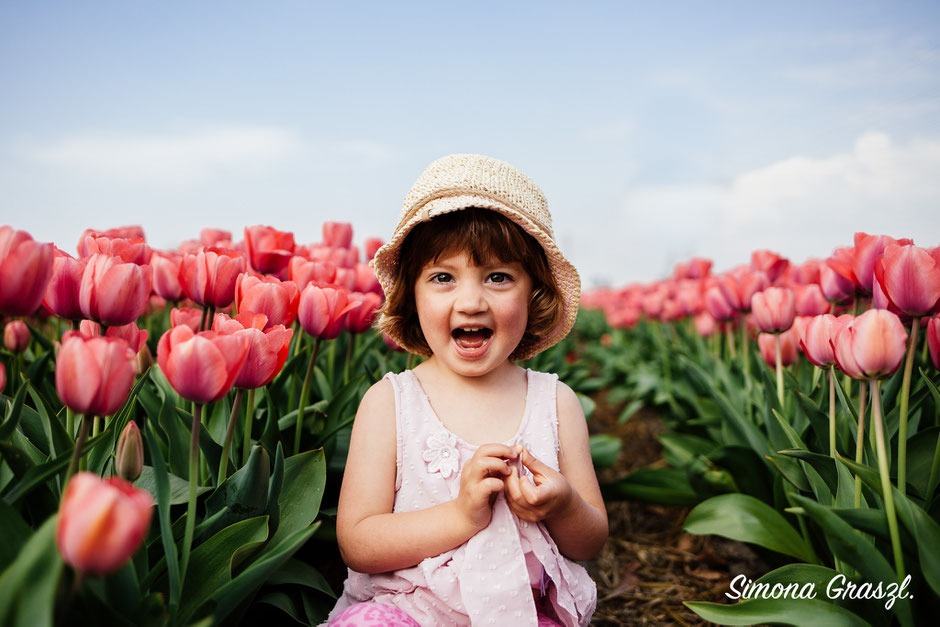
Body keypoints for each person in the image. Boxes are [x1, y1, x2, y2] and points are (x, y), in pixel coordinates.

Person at [327, 154, 607, 626]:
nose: (471, 301)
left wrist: (562, 505)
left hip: (520, 613)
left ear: (534, 293)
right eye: (442, 277)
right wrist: (461, 515)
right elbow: (358, 542)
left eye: (498, 277)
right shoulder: (391, 403)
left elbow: (589, 541)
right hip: (406, 610)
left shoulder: (554, 403)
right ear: (411, 295)